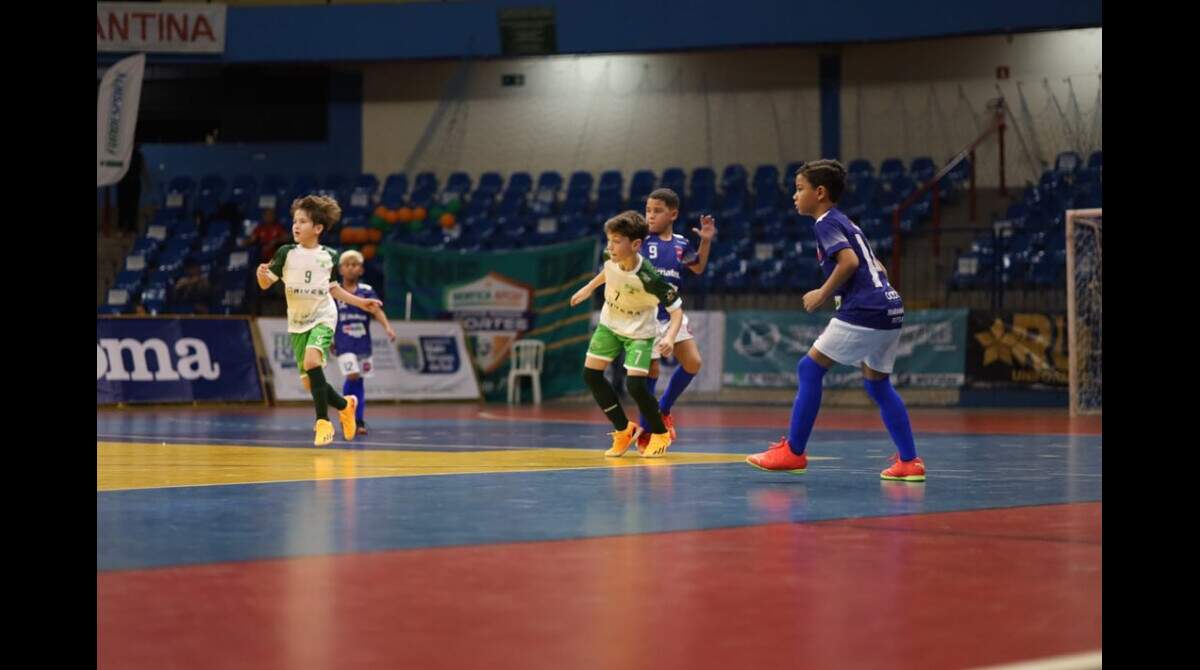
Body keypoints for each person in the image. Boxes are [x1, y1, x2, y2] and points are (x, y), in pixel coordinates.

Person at [744, 159, 925, 482]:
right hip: (890, 306)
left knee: (809, 368)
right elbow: (876, 265)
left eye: (800, 189)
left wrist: (823, 294)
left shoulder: (825, 223)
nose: (794, 196)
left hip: (866, 309)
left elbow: (850, 261)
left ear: (821, 192)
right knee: (878, 384)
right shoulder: (848, 222)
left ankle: (793, 452)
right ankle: (909, 462)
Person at [256, 195, 383, 446]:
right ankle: (345, 405)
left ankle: (322, 422)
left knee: (313, 362)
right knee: (310, 382)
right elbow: (265, 284)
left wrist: (361, 303)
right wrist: (261, 274)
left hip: (323, 315)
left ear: (317, 228)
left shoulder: (329, 256)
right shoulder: (285, 253)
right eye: (294, 221)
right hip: (297, 322)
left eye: (302, 221)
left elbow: (333, 289)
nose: (296, 225)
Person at [570, 211, 683, 458]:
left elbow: (676, 311)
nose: (610, 246)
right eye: (609, 240)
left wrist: (670, 337)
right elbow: (608, 270)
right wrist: (589, 288)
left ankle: (660, 433)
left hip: (639, 332)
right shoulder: (609, 255)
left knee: (634, 385)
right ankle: (623, 430)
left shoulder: (648, 277)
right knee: (591, 374)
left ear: (635, 245)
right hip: (610, 323)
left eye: (617, 241)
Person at [634, 187, 715, 449]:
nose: (651, 216)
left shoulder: (681, 243)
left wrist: (705, 240)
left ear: (673, 214)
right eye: (648, 211)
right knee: (651, 370)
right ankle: (646, 430)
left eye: (657, 211)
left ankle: (663, 409)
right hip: (645, 316)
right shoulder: (640, 241)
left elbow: (699, 267)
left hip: (671, 314)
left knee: (693, 363)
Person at [332, 249, 396, 437]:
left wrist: (388, 328)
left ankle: (357, 420)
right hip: (343, 343)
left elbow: (376, 311)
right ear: (340, 269)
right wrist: (328, 339)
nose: (351, 269)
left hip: (363, 344)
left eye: (355, 265)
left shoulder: (366, 291)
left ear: (361, 270)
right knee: (352, 375)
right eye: (347, 265)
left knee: (359, 380)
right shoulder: (335, 291)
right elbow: (328, 315)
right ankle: (347, 414)